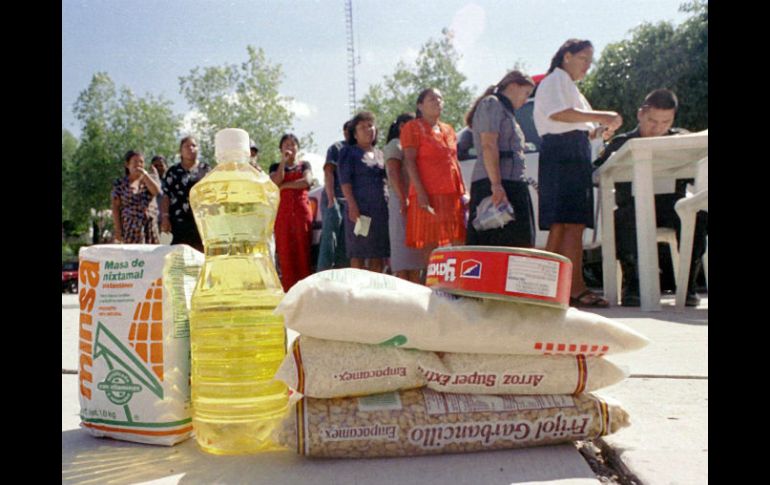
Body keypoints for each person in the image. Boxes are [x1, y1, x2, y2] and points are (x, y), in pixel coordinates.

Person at [594, 88, 707, 307]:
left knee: (698, 216)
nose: (658, 128)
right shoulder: (622, 143)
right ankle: (633, 284)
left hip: (671, 206)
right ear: (640, 115)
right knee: (622, 217)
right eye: (652, 121)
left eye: (666, 122)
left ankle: (688, 286)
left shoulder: (680, 140)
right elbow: (598, 174)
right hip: (633, 208)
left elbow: (698, 174)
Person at [534, 39, 623, 308]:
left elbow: (579, 124)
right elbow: (559, 115)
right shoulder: (555, 80)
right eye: (583, 58)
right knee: (563, 223)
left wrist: (598, 130)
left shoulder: (570, 87)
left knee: (573, 223)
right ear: (567, 56)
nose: (587, 65)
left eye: (590, 60)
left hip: (574, 152)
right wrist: (604, 115)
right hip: (561, 153)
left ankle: (564, 287)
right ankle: (556, 287)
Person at [464, 70, 537, 248]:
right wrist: (496, 185)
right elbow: (489, 145)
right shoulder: (492, 104)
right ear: (512, 86)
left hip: (513, 182)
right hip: (496, 184)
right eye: (526, 93)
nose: (526, 100)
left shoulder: (508, 113)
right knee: (495, 244)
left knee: (519, 243)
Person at [400, 88, 467, 263]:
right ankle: (433, 285)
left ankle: (455, 285)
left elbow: (454, 160)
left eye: (440, 98)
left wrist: (463, 191)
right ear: (420, 105)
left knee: (458, 239)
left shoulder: (449, 129)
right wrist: (421, 193)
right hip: (427, 193)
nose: (437, 101)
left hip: (451, 193)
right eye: (432, 99)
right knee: (431, 243)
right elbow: (409, 161)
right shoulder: (412, 127)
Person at [338, 111, 390, 273]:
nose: (368, 129)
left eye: (370, 125)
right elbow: (345, 181)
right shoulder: (349, 152)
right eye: (362, 127)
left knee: (378, 252)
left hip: (380, 210)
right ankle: (357, 291)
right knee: (359, 252)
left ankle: (375, 291)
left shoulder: (381, 154)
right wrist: (353, 206)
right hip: (360, 211)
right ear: (355, 133)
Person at [384, 112, 427, 283]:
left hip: (413, 201)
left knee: (415, 254)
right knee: (402, 250)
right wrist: (403, 199)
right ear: (402, 126)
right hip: (401, 200)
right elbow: (394, 173)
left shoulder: (411, 146)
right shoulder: (396, 144)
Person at [269, 133, 314, 292]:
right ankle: (288, 293)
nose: (290, 147)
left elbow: (307, 181)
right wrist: (283, 161)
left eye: (293, 144)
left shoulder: (304, 165)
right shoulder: (275, 167)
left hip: (301, 213)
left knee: (303, 252)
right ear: (281, 148)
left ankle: (306, 293)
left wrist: (285, 187)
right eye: (286, 144)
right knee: (285, 253)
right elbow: (275, 182)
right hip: (283, 215)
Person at [160, 136, 212, 252]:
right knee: (179, 256)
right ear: (180, 151)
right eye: (187, 146)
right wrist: (165, 217)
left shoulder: (206, 169)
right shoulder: (172, 171)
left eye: (194, 145)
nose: (191, 148)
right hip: (178, 223)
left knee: (200, 254)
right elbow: (166, 195)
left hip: (200, 222)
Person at [316, 121, 352, 271]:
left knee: (346, 243)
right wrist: (331, 199)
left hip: (350, 202)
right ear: (344, 131)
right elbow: (329, 172)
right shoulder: (336, 148)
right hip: (335, 198)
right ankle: (321, 275)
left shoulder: (358, 150)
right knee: (329, 240)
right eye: (348, 130)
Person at [111, 150, 162, 244]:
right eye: (135, 161)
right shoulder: (120, 183)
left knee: (152, 256)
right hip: (131, 228)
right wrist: (118, 229)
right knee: (134, 257)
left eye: (141, 162)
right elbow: (115, 207)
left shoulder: (150, 178)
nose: (138, 164)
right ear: (127, 164)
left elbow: (157, 192)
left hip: (150, 227)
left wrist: (145, 175)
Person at [150, 155, 167, 233]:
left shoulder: (170, 181)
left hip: (167, 220)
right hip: (152, 220)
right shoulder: (146, 181)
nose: (158, 168)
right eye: (156, 166)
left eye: (161, 165)